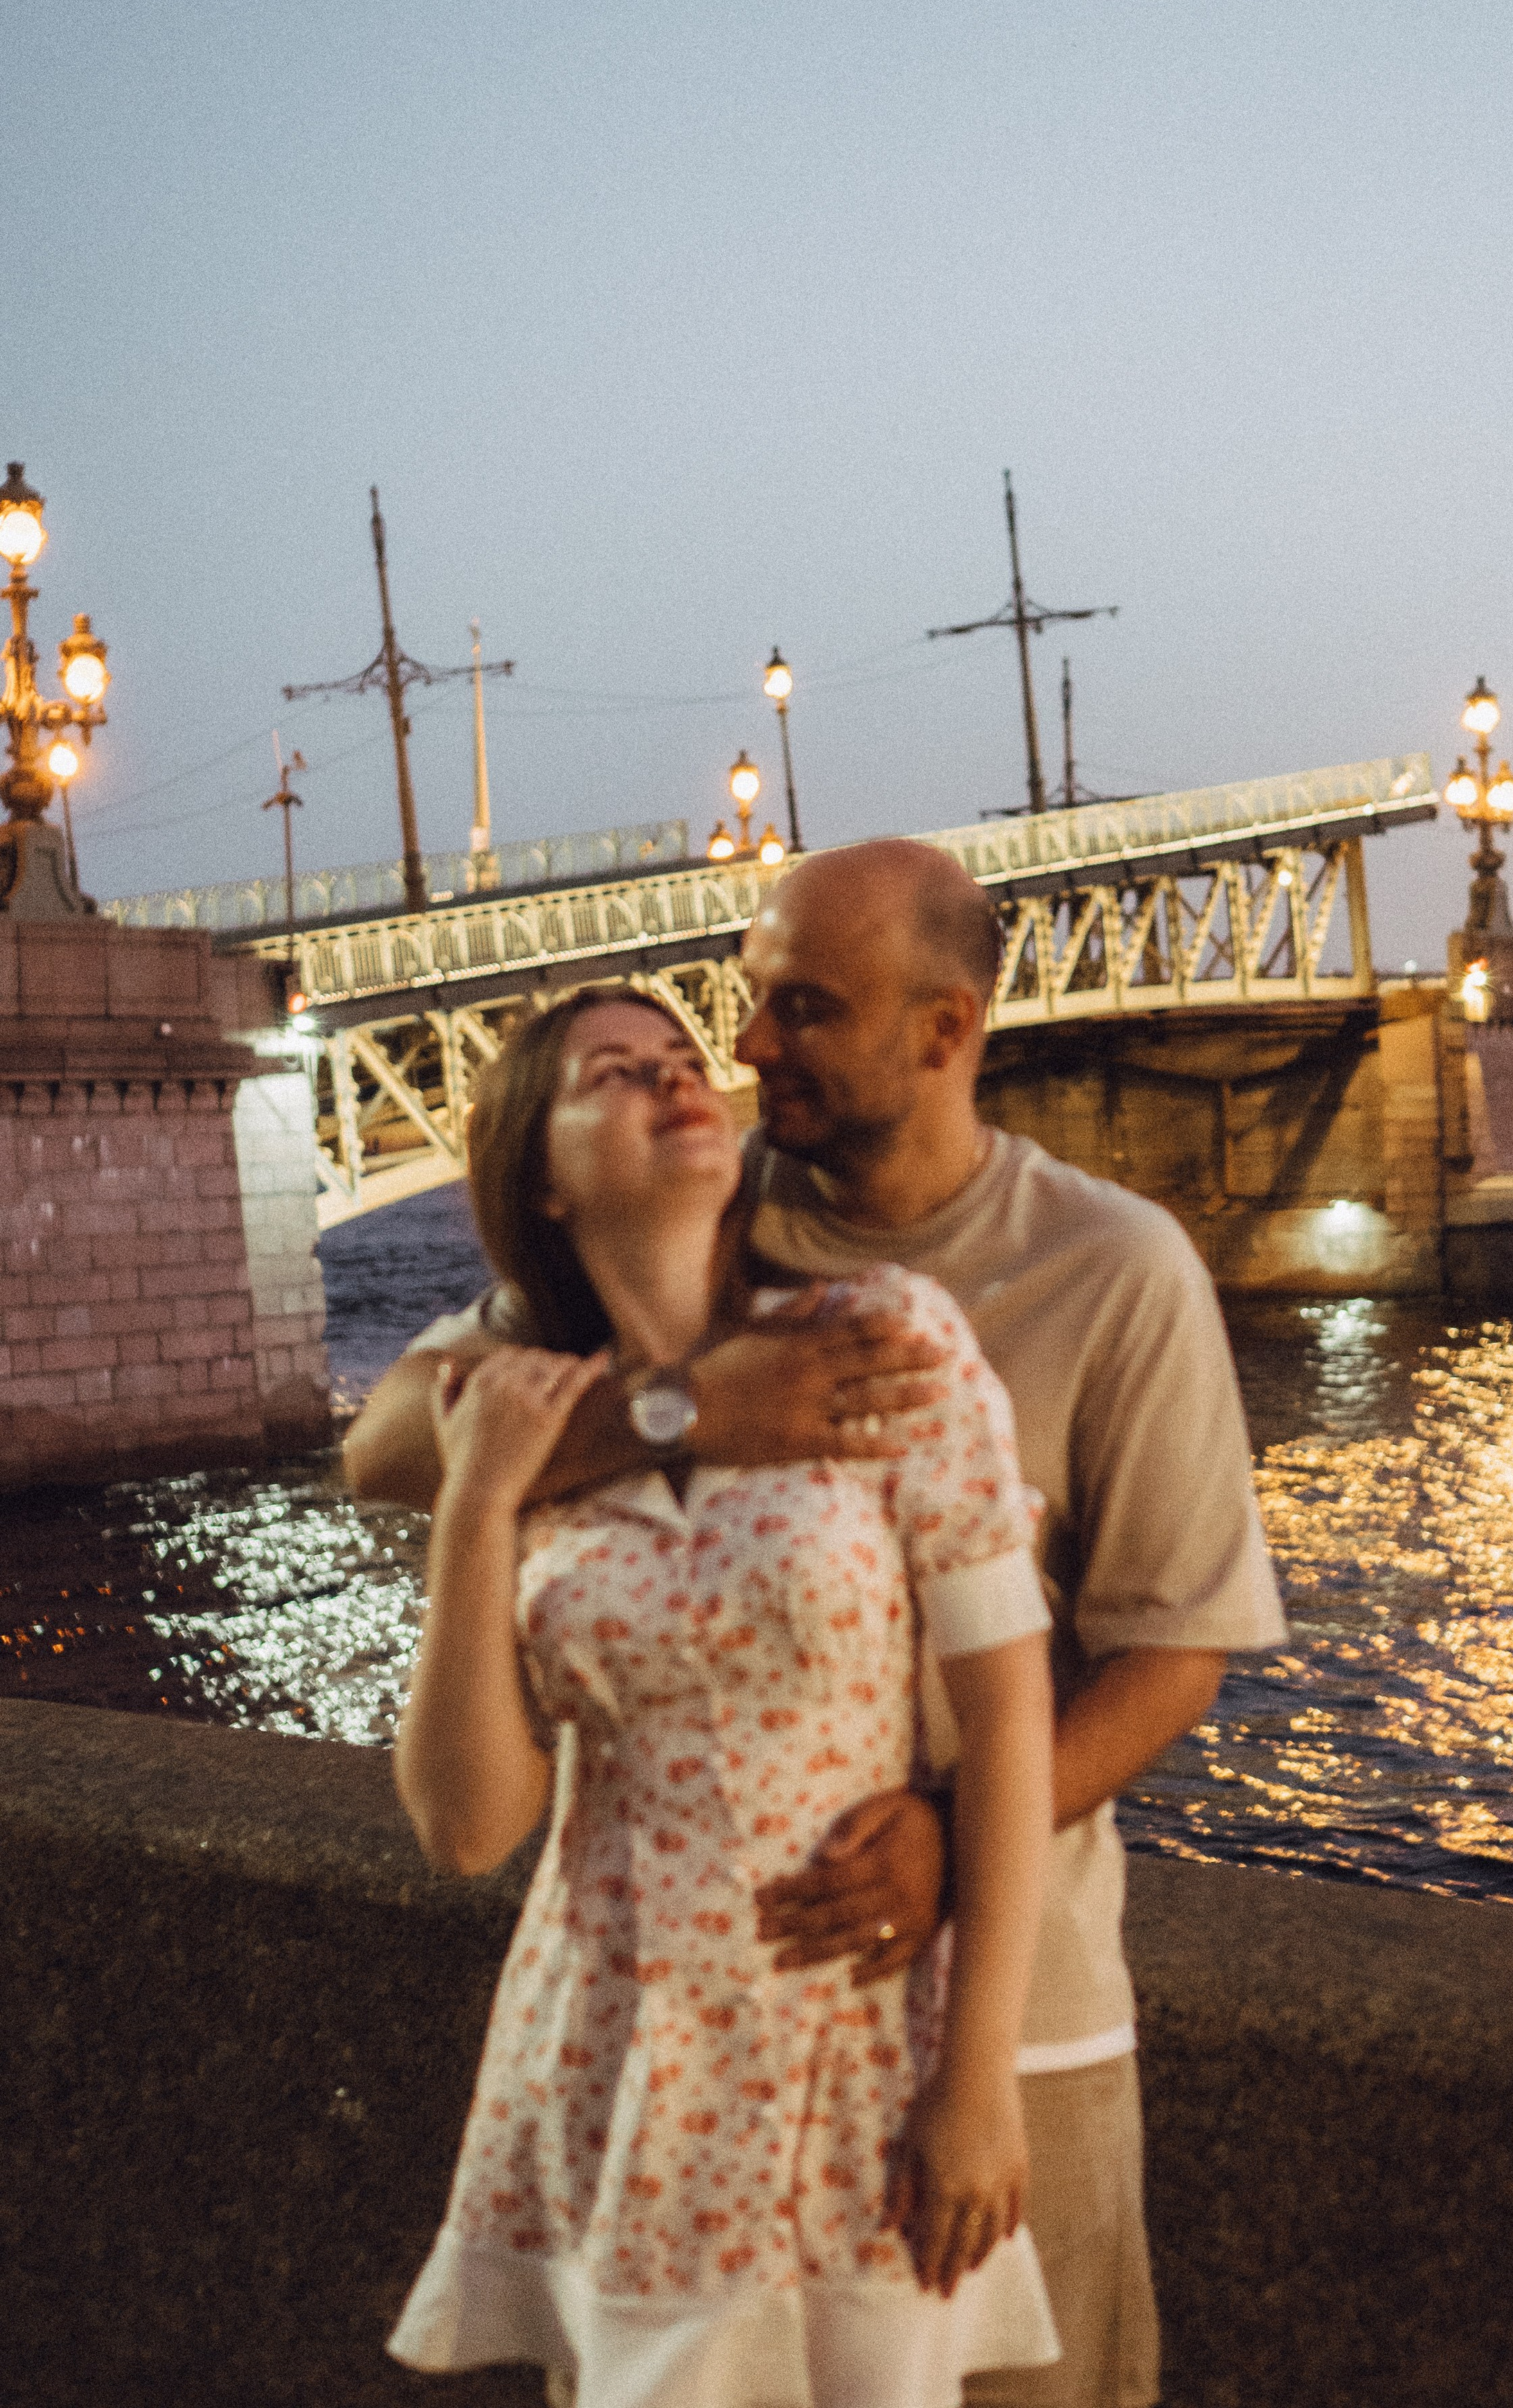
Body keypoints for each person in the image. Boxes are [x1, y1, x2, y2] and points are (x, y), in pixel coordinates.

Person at [348, 842, 1288, 2408]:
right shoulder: (714, 1224)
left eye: (799, 1010)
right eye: (744, 1005)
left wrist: (942, 1837)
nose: (745, 1051)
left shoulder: (1108, 1266)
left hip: (1012, 2014)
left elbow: (1169, 1659)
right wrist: (682, 1409)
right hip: (667, 2075)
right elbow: (396, 1444)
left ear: (943, 1032)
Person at [387, 984, 1062, 2408]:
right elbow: (468, 1828)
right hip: (616, 2067)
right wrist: (477, 1505)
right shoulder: (511, 1414)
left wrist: (979, 2078)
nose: (676, 1083)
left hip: (857, 2053)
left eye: (681, 1062)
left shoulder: (883, 1338)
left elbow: (1007, 1720)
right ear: (543, 1182)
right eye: (614, 1077)